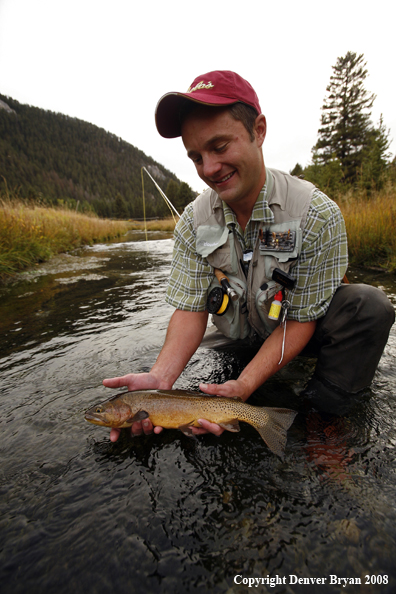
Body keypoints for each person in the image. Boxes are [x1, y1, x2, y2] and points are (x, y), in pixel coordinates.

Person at [103, 70, 394, 441]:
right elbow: (191, 309)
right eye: (196, 157)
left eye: (220, 147)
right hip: (238, 338)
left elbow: (301, 321)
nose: (208, 169)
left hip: (301, 331)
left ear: (258, 131)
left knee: (368, 305)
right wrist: (161, 379)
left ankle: (327, 422)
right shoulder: (193, 222)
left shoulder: (316, 214)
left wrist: (244, 385)